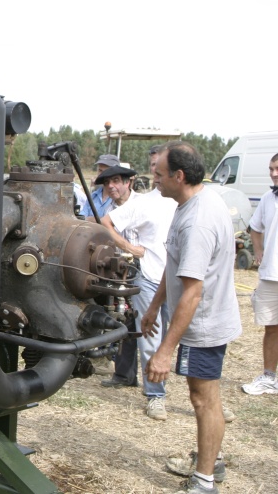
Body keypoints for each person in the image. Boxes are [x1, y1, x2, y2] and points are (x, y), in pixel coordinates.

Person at [142, 141, 241, 494]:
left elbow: (193, 293)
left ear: (179, 176)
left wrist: (165, 351)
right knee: (205, 396)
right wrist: (154, 307)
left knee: (203, 398)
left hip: (204, 324)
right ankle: (210, 461)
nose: (154, 179)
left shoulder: (197, 221)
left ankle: (204, 480)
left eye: (159, 174)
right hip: (202, 317)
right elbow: (174, 262)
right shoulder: (196, 200)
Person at [99, 146, 177, 421]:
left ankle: (205, 394)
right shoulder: (144, 203)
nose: (157, 174)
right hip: (152, 278)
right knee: (151, 338)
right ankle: (156, 395)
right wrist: (130, 247)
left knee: (190, 339)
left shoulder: (189, 202)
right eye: (155, 168)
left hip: (182, 281)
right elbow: (105, 222)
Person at [241, 152, 278, 396]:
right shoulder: (267, 198)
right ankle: (269, 377)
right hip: (271, 275)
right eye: (271, 169)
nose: (274, 174)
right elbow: (255, 227)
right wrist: (259, 251)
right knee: (272, 328)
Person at [79, 153, 120, 218]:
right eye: (100, 170)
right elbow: (82, 217)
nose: (102, 174)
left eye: (106, 171)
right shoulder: (93, 196)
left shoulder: (118, 198)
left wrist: (91, 220)